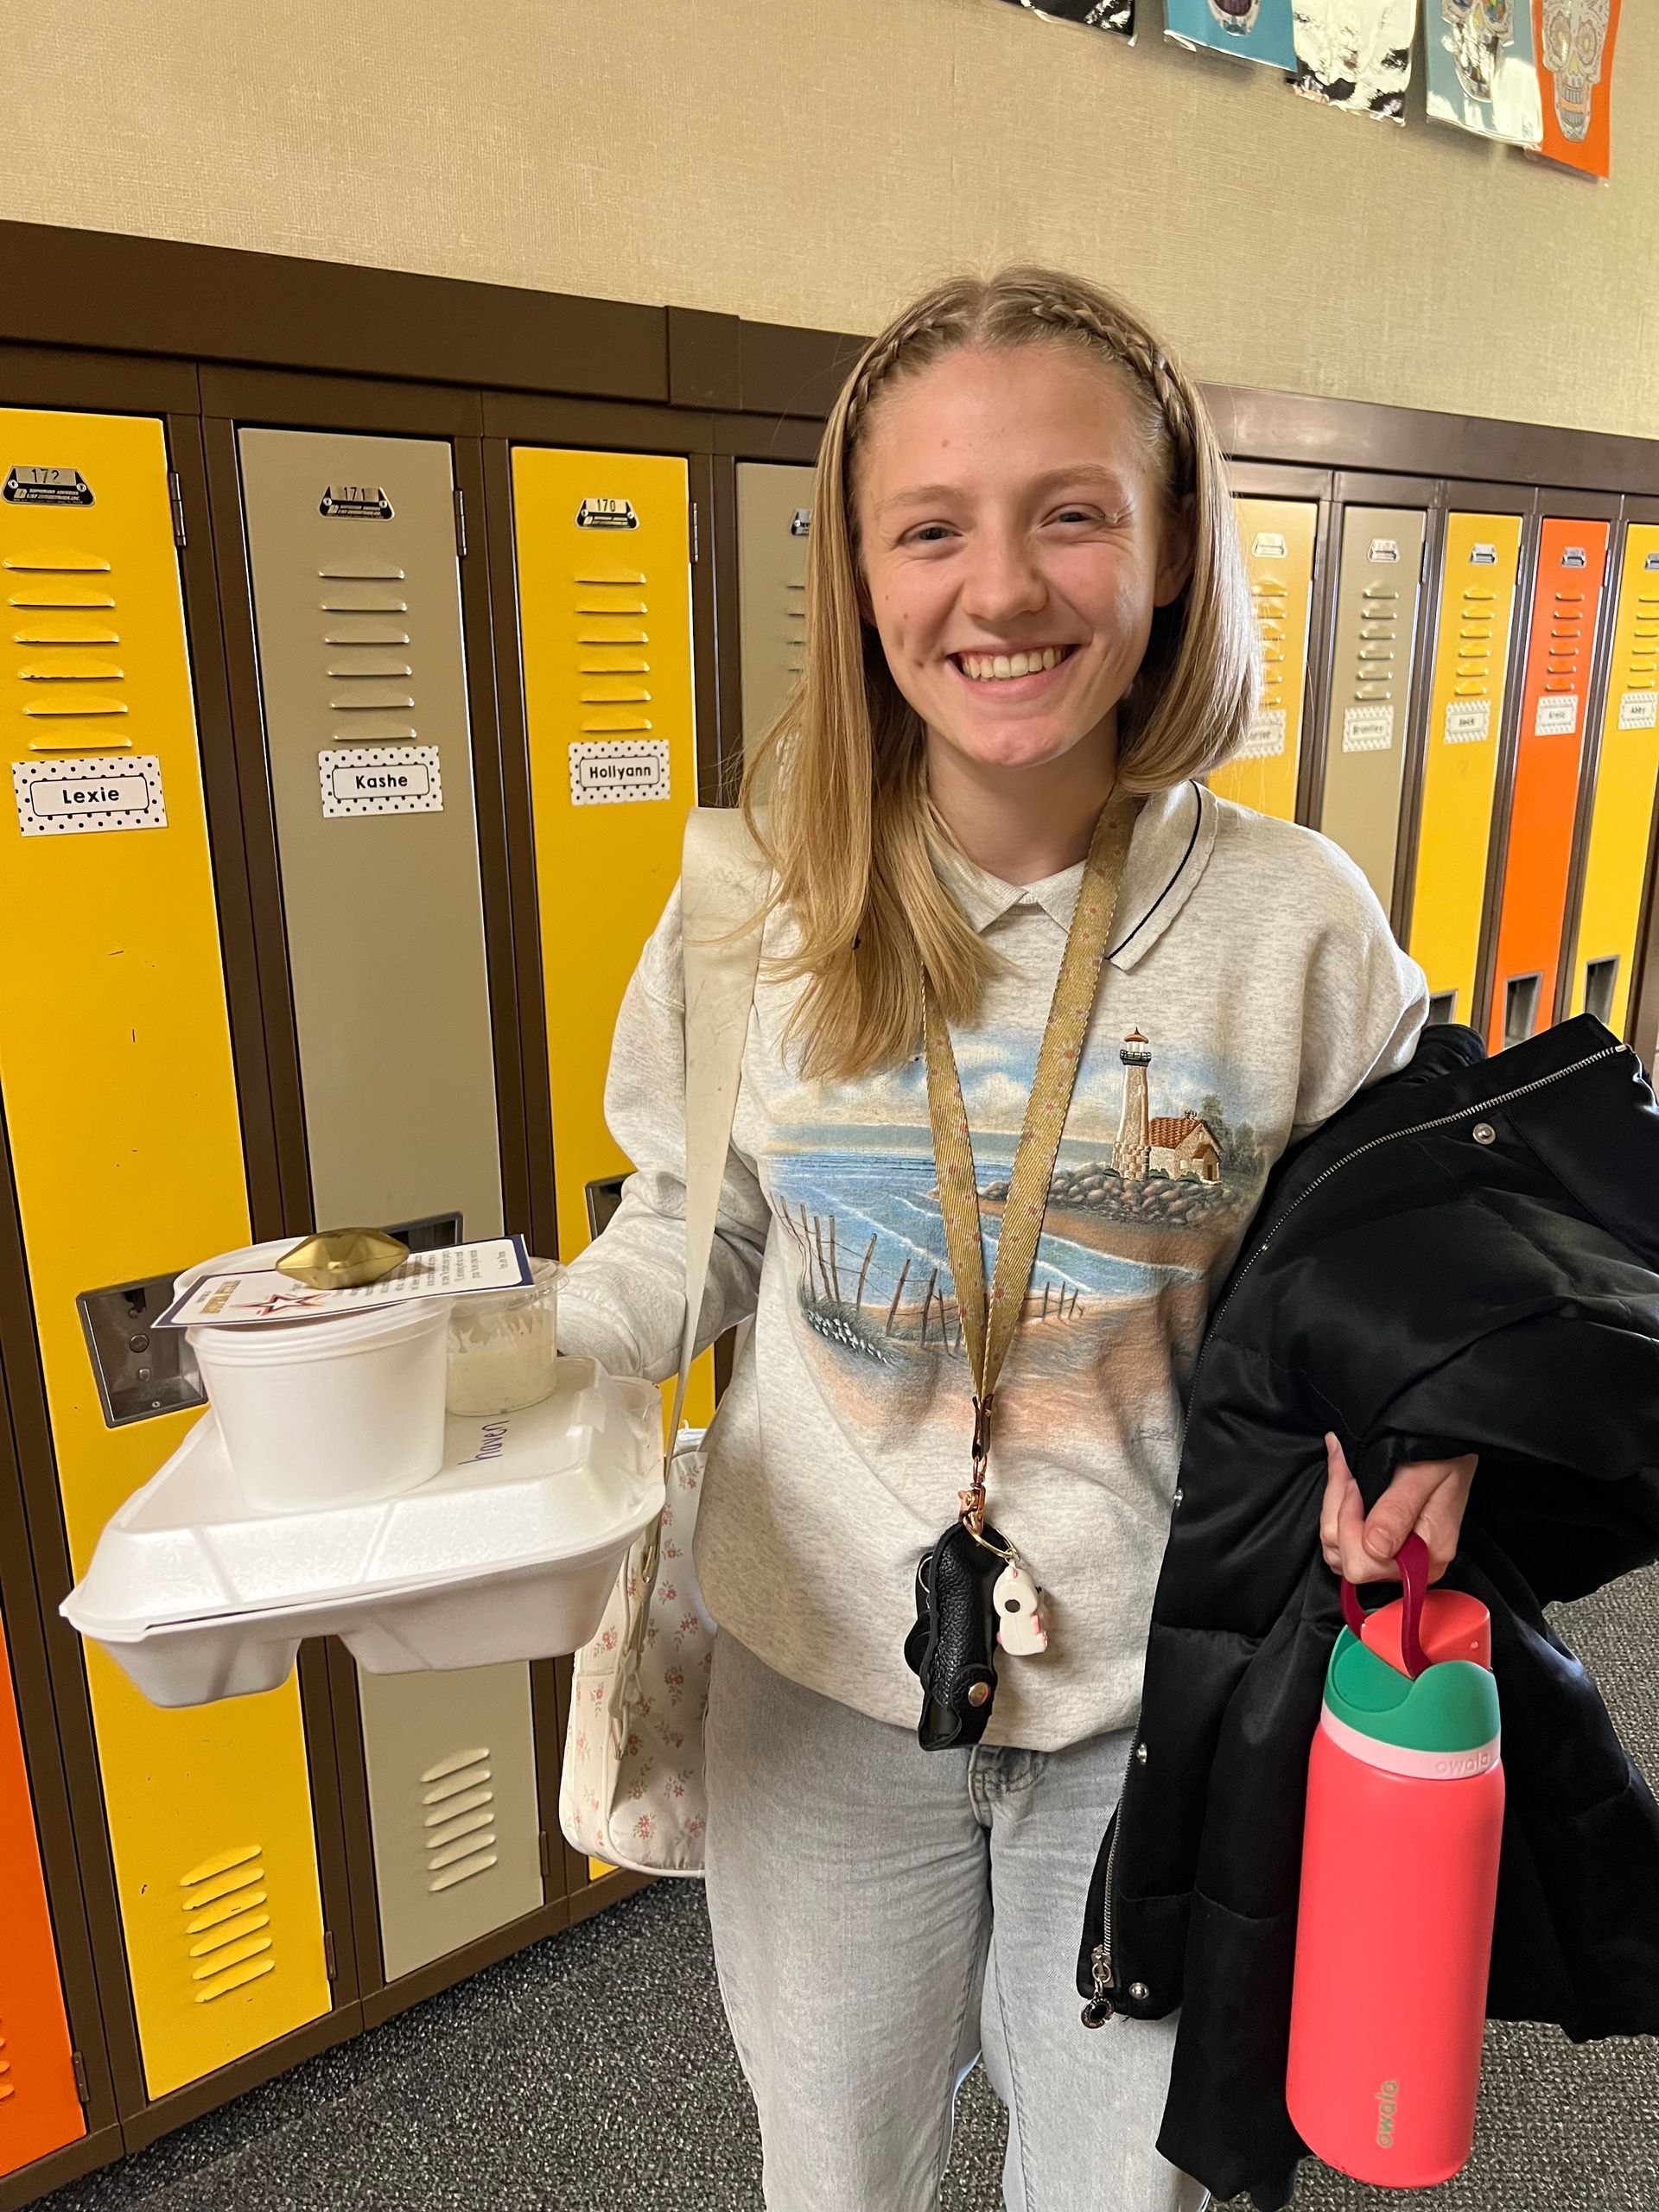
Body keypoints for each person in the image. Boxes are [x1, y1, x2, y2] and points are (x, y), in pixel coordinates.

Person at [557, 266, 1478, 2212]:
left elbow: (1411, 1266)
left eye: (1072, 511)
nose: (1002, 590)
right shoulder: (755, 897)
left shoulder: (1294, 923)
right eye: (933, 528)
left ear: (1168, 551)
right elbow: (687, 1227)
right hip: (819, 1688)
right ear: (862, 570)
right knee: (837, 2172)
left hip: (1159, 1700)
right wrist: (494, 1375)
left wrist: (1423, 1428)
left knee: (1121, 2188)